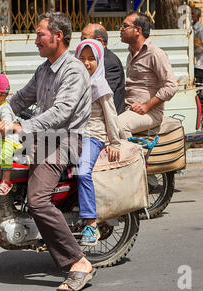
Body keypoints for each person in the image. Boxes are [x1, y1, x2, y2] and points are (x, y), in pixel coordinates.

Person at [0, 11, 95, 291]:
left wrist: (19, 126)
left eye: (40, 35)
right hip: (42, 137)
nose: (35, 40)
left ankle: (79, 262)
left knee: (38, 200)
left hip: (64, 140)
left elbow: (61, 112)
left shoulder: (73, 70)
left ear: (58, 37)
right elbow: (18, 99)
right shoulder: (43, 70)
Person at [75, 39, 123, 246]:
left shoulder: (100, 84)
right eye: (82, 58)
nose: (86, 63)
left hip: (92, 134)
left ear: (99, 60)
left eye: (91, 59)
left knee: (83, 171)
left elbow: (110, 115)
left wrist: (115, 142)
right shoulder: (73, 82)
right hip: (72, 135)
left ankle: (91, 224)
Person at [118, 13, 178, 138]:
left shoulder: (155, 54)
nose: (121, 29)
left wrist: (146, 106)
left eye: (125, 26)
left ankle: (135, 157)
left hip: (151, 113)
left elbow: (171, 86)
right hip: (130, 110)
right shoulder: (131, 55)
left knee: (119, 126)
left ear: (137, 30)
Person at [81, 23, 126, 115]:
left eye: (84, 39)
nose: (82, 43)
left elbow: (99, 95)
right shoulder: (86, 59)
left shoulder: (110, 63)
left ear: (100, 42)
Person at [191, 7, 203, 85]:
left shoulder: (201, 30)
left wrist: (191, 53)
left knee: (197, 85)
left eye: (192, 14)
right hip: (191, 63)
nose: (190, 16)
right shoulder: (190, 28)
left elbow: (202, 47)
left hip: (198, 63)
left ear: (198, 16)